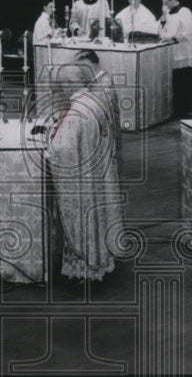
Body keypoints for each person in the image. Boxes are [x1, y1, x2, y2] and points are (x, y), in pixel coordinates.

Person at [48, 62, 124, 281]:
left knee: (84, 222)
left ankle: (85, 267)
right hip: (99, 174)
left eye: (63, 86)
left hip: (83, 181)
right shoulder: (96, 101)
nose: (62, 91)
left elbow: (62, 150)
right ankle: (100, 259)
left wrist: (50, 142)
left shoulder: (76, 113)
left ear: (72, 84)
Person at [159, 0, 192, 118]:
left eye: (167, 3)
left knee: (182, 81)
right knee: (173, 82)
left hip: (182, 51)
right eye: (163, 3)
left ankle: (183, 110)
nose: (165, 6)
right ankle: (174, 109)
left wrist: (172, 38)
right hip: (170, 52)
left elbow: (187, 33)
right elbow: (162, 30)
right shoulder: (168, 13)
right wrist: (163, 18)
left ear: (173, 0)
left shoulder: (185, 12)